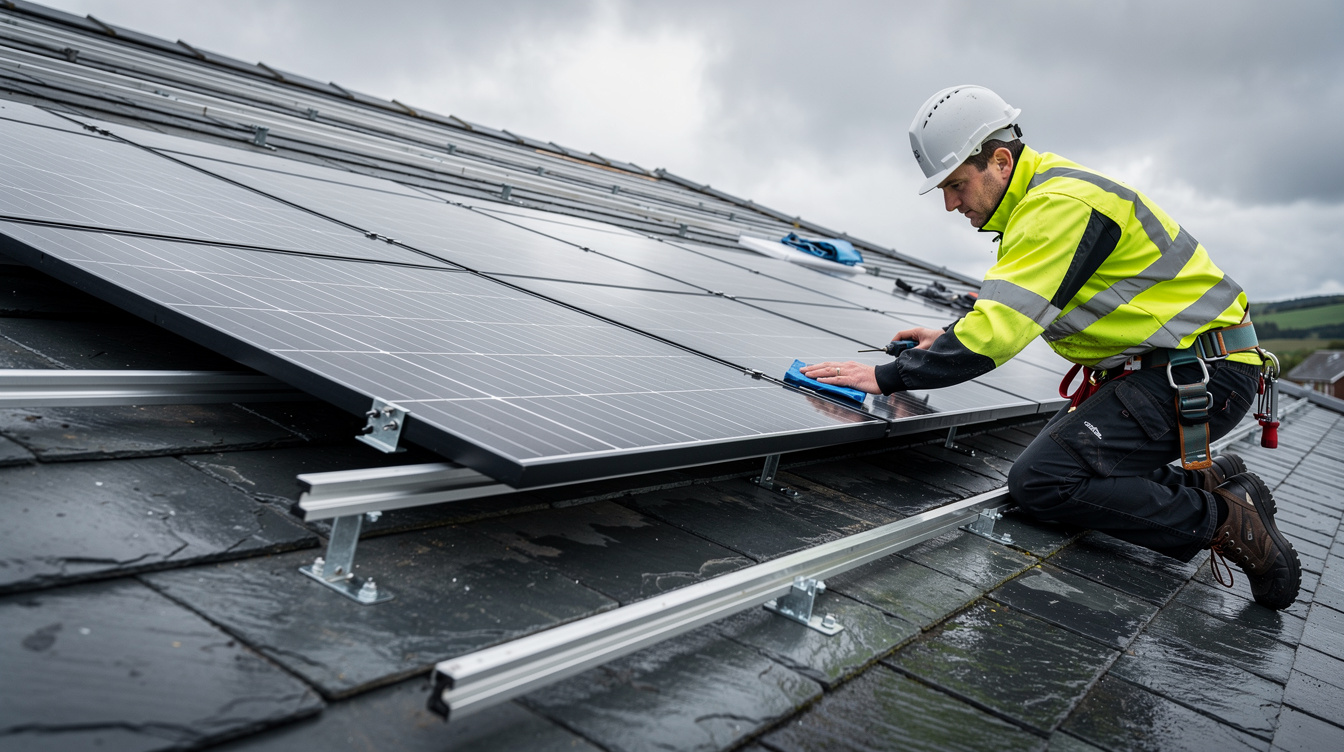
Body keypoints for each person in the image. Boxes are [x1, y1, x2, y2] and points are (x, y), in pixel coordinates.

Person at [802, 84, 1300, 610]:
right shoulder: (1045, 201)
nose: (950, 204)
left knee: (1042, 479)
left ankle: (1229, 521)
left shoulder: (1056, 207)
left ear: (999, 161)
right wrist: (945, 338)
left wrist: (885, 378)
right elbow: (1014, 304)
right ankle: (1217, 481)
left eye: (956, 185)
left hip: (1199, 374)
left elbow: (997, 332)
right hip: (1185, 368)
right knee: (1075, 461)